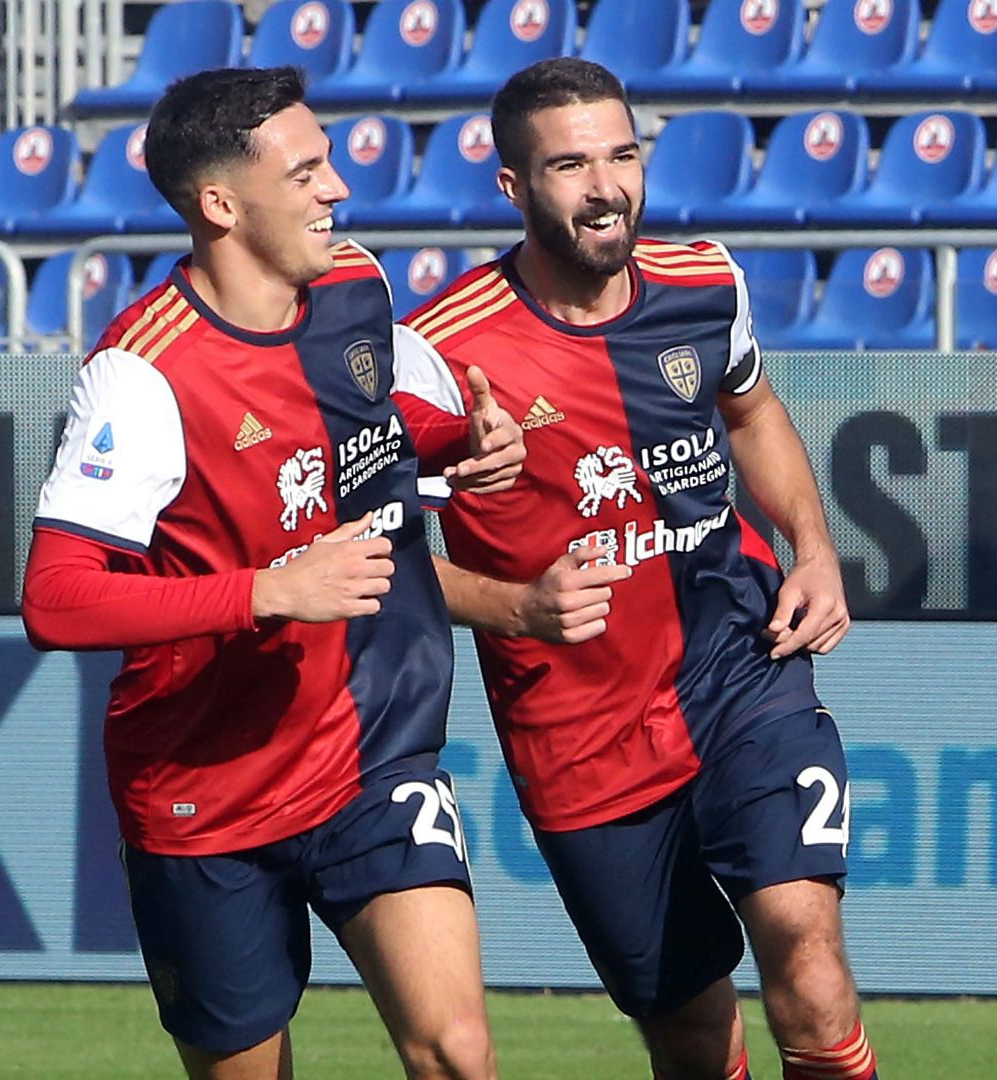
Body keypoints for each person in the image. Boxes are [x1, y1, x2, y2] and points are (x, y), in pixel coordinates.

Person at [20, 67, 522, 1079]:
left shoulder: (355, 289)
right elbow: (54, 597)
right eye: (307, 171)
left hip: (371, 753)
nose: (338, 188)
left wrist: (459, 442)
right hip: (203, 793)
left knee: (459, 1053)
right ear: (221, 204)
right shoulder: (143, 374)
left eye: (328, 162)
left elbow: (366, 430)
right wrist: (268, 590)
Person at [391, 59, 877, 1080]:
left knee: (810, 959)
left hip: (741, 664)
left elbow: (752, 411)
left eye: (622, 154)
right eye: (570, 164)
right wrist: (516, 606)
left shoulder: (705, 280)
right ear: (515, 190)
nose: (606, 185)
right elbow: (368, 561)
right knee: (696, 1036)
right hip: (578, 734)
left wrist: (815, 545)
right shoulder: (438, 355)